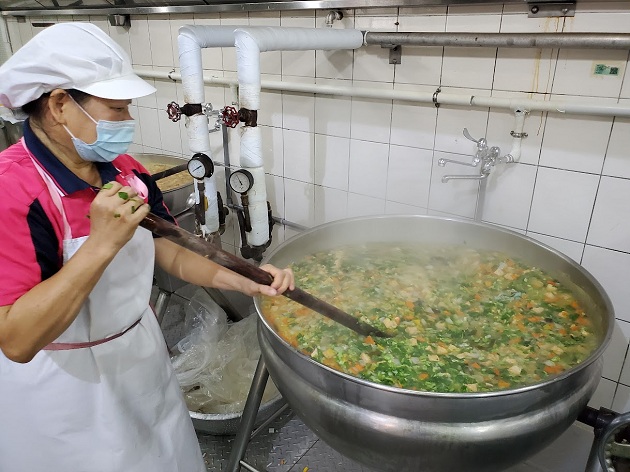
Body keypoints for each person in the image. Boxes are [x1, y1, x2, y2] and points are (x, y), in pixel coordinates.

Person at [0, 22, 294, 471]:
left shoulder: (123, 171)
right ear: (60, 104)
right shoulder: (13, 192)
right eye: (116, 108)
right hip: (65, 392)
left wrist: (242, 279)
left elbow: (168, 249)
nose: (127, 122)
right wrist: (100, 245)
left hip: (139, 358)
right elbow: (17, 338)